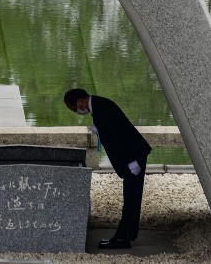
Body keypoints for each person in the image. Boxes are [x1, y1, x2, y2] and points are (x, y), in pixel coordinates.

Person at [64, 88, 152, 250]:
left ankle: (122, 239)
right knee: (132, 197)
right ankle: (127, 235)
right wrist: (99, 129)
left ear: (80, 102)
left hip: (133, 156)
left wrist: (132, 161)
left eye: (75, 108)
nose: (77, 112)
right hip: (131, 155)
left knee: (131, 198)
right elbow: (112, 129)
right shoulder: (98, 105)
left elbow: (120, 137)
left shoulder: (101, 108)